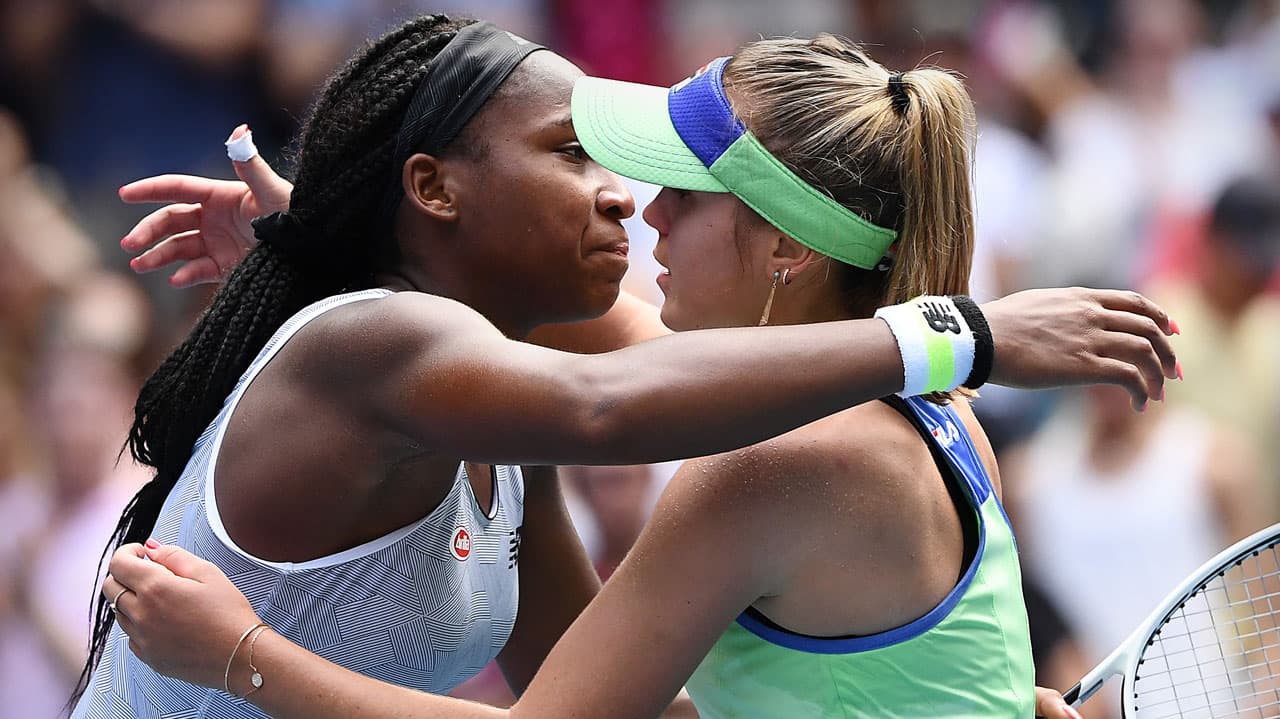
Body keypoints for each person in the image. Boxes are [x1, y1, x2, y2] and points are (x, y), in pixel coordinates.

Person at [94, 24, 1172, 719]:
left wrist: (238, 652)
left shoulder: (772, 459)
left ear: (787, 248)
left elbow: (616, 397)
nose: (635, 203)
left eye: (685, 196)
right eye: (577, 156)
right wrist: (333, 232)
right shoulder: (928, 418)